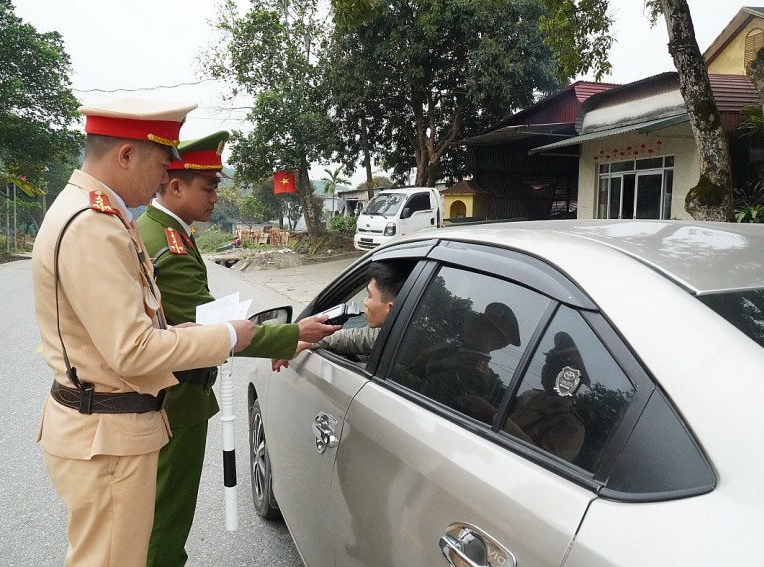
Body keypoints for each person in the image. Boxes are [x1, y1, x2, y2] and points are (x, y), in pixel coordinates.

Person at [31, 97, 257, 567]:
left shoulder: (101, 214)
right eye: (161, 162)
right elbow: (132, 351)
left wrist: (187, 332)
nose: (164, 176)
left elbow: (134, 328)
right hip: (107, 434)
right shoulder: (92, 225)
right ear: (126, 155)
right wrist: (226, 337)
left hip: (111, 427)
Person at [136, 131, 338, 567]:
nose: (214, 198)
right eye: (208, 188)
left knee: (159, 513)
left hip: (169, 395)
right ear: (175, 186)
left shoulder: (168, 232)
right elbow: (209, 332)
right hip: (176, 398)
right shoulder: (166, 245)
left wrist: (280, 337)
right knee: (165, 518)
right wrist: (293, 334)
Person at [393, 302, 520, 423]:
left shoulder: (472, 374)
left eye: (484, 327)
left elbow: (419, 390)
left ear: (497, 344)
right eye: (479, 319)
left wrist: (382, 362)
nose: (475, 324)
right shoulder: (452, 349)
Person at [271, 260, 409, 371]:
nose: (364, 301)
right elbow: (357, 338)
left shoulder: (408, 347)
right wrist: (307, 341)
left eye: (369, 295)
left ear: (390, 308)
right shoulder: (399, 332)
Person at [503, 331, 588, 461]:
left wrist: (493, 415)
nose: (545, 368)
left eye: (553, 364)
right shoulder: (529, 395)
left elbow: (540, 464)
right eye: (547, 362)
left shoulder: (571, 428)